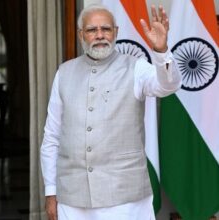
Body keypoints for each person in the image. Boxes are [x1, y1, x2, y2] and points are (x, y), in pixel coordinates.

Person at [40, 4, 181, 220]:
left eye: (105, 29)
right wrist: (51, 192)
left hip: (124, 197)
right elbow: (52, 137)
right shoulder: (64, 72)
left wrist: (162, 52)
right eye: (91, 30)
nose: (99, 35)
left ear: (116, 32)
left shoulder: (136, 67)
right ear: (81, 35)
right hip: (72, 196)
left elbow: (168, 86)